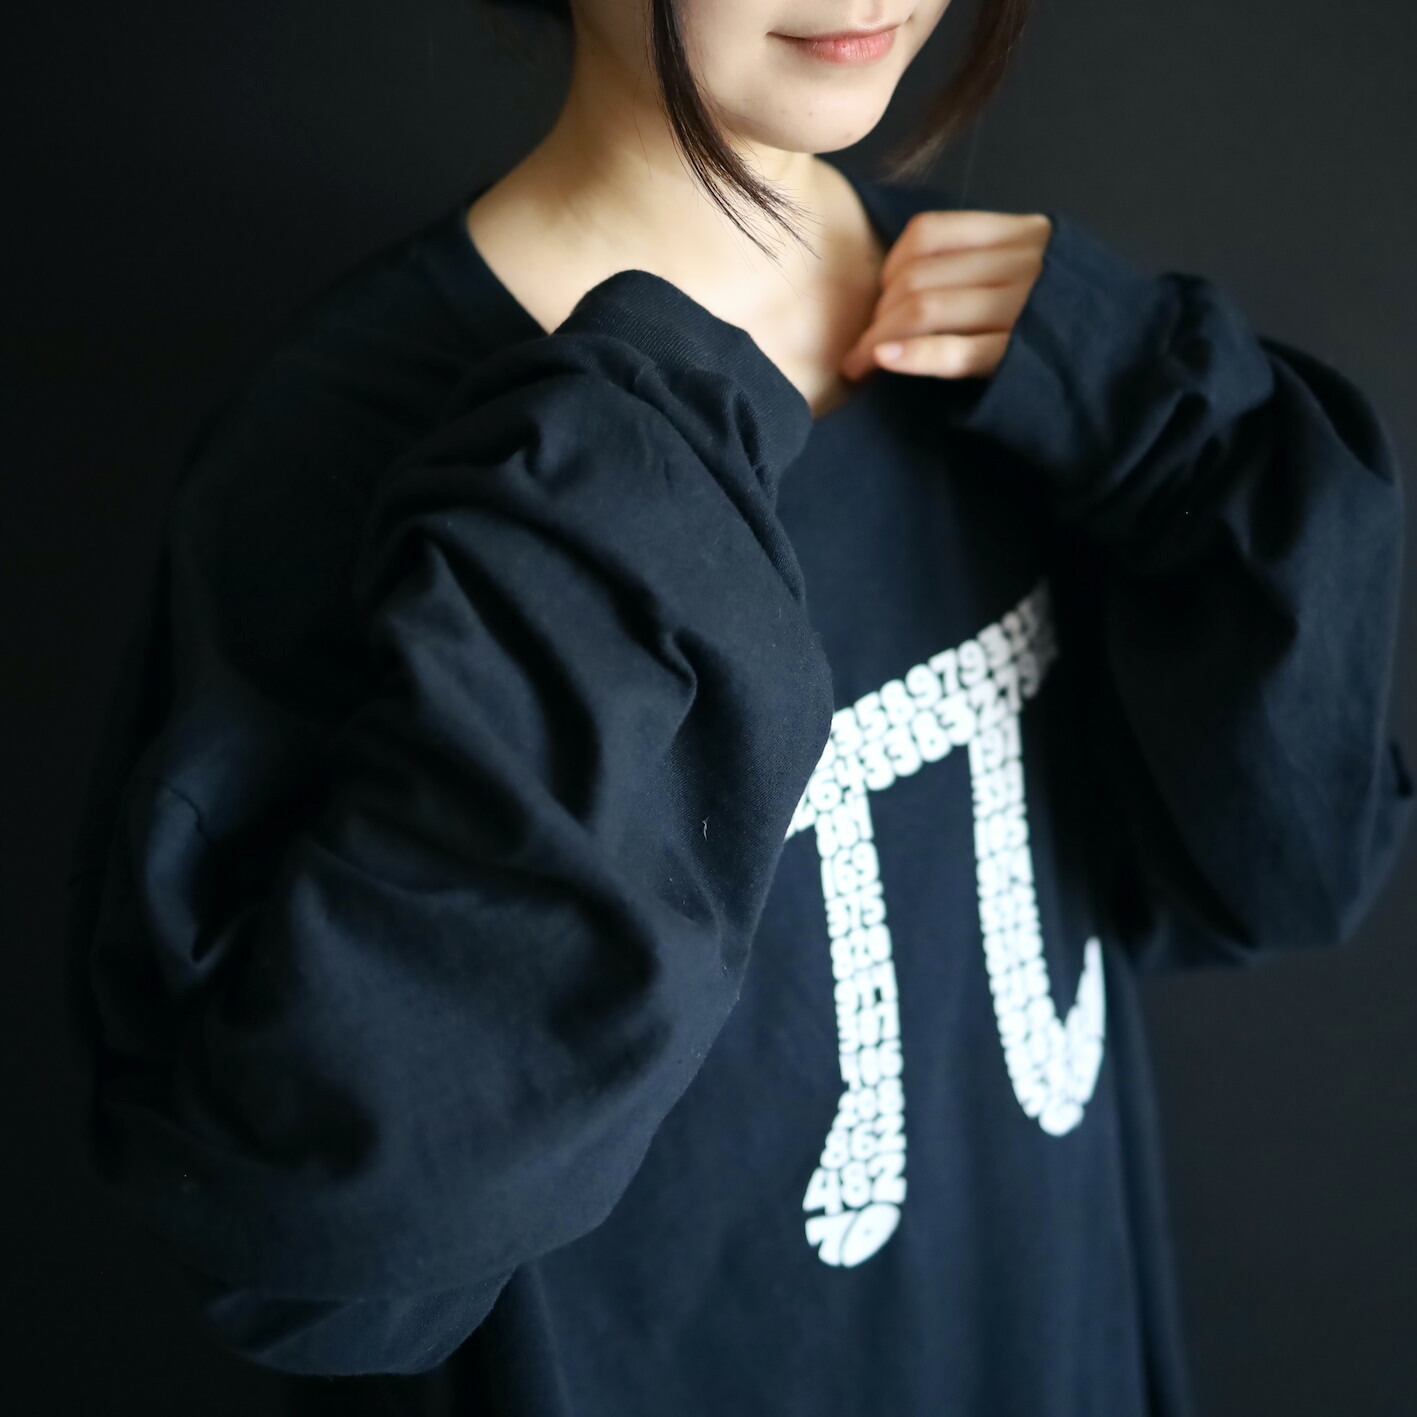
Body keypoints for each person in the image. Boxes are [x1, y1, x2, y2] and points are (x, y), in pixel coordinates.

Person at [62, 0, 1413, 1413]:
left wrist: (1166, 420)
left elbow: (1284, 867)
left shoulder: (1030, 353)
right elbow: (311, 1249)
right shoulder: (344, 442)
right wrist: (594, 510)